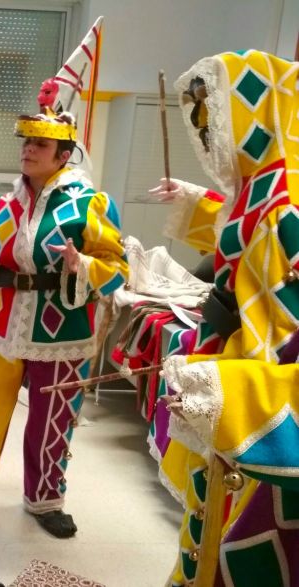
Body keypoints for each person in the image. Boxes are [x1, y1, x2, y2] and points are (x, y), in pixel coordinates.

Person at [0, 106, 128, 540]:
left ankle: (46, 498)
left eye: (40, 144)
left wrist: (84, 265)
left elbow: (118, 267)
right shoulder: (6, 202)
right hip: (3, 323)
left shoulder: (91, 204)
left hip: (63, 331)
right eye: (27, 142)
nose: (29, 149)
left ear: (63, 155)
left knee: (51, 420)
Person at [148, 50, 299, 586]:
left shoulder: (290, 198)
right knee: (205, 514)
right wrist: (196, 201)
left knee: (242, 537)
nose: (209, 134)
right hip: (226, 368)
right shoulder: (263, 182)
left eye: (217, 117)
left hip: (261, 394)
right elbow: (242, 230)